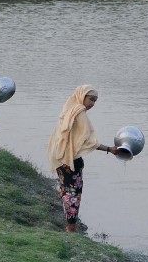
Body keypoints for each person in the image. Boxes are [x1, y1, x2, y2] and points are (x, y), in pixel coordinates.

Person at [47, 86, 118, 232]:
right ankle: (71, 228)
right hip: (72, 160)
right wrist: (109, 149)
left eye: (95, 101)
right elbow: (87, 141)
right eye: (91, 99)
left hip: (60, 157)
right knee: (74, 194)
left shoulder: (68, 108)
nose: (92, 104)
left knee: (66, 191)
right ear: (82, 96)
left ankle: (69, 226)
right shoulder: (79, 112)